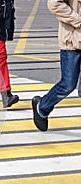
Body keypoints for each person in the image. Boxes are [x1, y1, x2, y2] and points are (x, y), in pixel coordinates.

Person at [32, 0, 81, 132]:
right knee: (68, 84)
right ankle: (42, 106)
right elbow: (54, 4)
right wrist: (78, 20)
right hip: (72, 42)